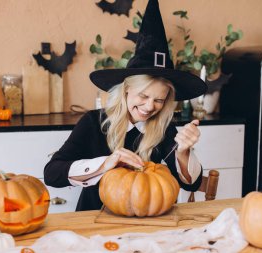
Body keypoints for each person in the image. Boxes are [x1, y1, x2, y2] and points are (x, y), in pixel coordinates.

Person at [44, 0, 208, 211]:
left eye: (159, 100)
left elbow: (191, 183)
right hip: (94, 222)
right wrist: (106, 164)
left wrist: (184, 151)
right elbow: (52, 174)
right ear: (127, 90)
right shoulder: (94, 122)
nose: (150, 107)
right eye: (143, 96)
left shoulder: (163, 128)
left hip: (147, 225)